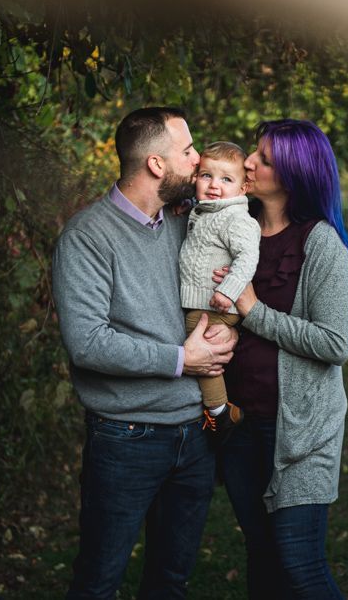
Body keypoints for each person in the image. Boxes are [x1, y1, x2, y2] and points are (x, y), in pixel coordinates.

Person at [52, 106, 237, 599]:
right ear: (157, 165)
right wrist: (183, 359)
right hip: (125, 437)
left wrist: (225, 325)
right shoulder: (87, 237)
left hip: (193, 434)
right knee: (98, 580)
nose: (198, 162)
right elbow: (89, 343)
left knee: (170, 581)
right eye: (189, 151)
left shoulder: (182, 223)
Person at [218, 119, 348, 599]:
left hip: (300, 430)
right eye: (254, 152)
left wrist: (252, 310)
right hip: (239, 424)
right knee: (262, 554)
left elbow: (337, 343)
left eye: (265, 159)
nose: (248, 163)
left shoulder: (320, 244)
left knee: (300, 562)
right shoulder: (237, 231)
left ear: (294, 177)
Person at [178, 141, 260, 434]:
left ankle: (220, 412)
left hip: (216, 305)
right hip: (205, 301)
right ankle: (216, 409)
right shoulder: (207, 210)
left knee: (201, 347)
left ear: (243, 188)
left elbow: (248, 256)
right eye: (206, 176)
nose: (214, 185)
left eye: (227, 179)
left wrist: (229, 289)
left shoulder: (235, 217)